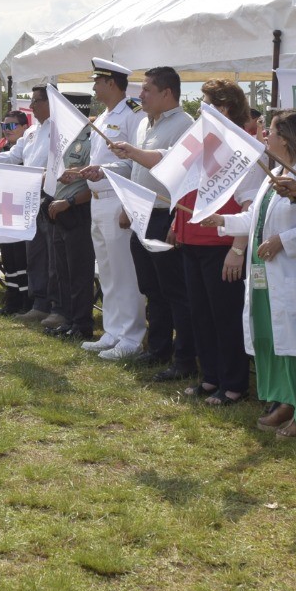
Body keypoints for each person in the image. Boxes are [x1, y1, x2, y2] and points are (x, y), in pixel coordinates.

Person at [216, 109, 296, 435]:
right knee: (276, 340)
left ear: (286, 139)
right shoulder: (273, 175)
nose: (264, 136)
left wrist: (283, 241)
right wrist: (222, 222)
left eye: (269, 131)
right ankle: (288, 400)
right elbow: (257, 220)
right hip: (267, 275)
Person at [93, 66, 196, 370]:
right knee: (152, 288)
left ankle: (184, 359)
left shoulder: (186, 125)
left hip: (166, 216)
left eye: (148, 89)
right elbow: (134, 170)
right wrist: (104, 170)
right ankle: (157, 349)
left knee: (174, 291)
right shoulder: (144, 125)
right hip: (141, 214)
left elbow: (174, 166)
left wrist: (133, 154)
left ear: (167, 93)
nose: (141, 95)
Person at [168, 79, 253, 405]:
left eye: (205, 103)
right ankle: (211, 376)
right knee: (201, 315)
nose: (199, 110)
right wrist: (179, 222)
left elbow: (249, 205)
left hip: (221, 245)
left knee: (225, 317)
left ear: (224, 108)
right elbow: (189, 188)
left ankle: (234, 383)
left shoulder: (240, 146)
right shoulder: (205, 142)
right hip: (193, 241)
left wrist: (237, 247)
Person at [72, 59, 146, 356]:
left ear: (111, 83)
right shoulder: (102, 118)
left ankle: (131, 336)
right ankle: (113, 331)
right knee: (106, 270)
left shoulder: (133, 115)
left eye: (97, 81)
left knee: (124, 271)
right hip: (98, 199)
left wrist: (104, 170)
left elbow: (132, 162)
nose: (93, 87)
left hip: (118, 198)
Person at [0, 87, 54, 323]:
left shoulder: (59, 130)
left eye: (36, 101)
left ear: (51, 102)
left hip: (49, 197)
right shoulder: (33, 133)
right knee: (34, 255)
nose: (32, 106)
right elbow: (13, 157)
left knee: (48, 257)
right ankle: (36, 303)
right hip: (29, 200)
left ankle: (50, 305)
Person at [44, 121, 96, 340]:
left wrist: (70, 202)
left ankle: (82, 325)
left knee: (79, 274)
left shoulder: (91, 141)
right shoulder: (63, 141)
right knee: (63, 272)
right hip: (59, 211)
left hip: (78, 210)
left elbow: (95, 186)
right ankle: (69, 320)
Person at [0, 111, 34, 314]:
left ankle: (26, 303)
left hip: (23, 212)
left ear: (25, 127)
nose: (7, 130)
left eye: (12, 126)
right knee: (9, 260)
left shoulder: (29, 149)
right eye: (4, 126)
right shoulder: (4, 148)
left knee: (22, 260)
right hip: (5, 211)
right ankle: (12, 302)